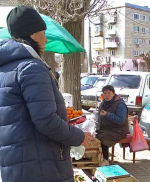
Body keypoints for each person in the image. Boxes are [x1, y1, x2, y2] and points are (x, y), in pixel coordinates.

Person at [0, 6, 92, 182]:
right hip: (42, 168)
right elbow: (46, 120)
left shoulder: (5, 69)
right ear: (33, 34)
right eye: (43, 32)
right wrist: (79, 137)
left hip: (15, 166)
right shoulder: (31, 68)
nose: (46, 38)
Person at [96, 85, 129, 165]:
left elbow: (121, 120)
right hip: (106, 128)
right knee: (93, 137)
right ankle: (97, 157)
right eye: (105, 93)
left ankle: (105, 159)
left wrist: (107, 114)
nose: (106, 95)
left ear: (113, 93)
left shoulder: (120, 104)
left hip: (118, 130)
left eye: (109, 93)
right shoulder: (104, 102)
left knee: (102, 138)